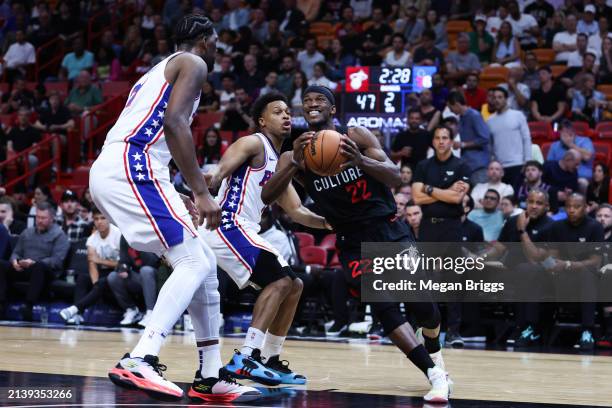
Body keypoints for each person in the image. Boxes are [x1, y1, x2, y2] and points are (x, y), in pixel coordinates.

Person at [87, 15, 259, 402]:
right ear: (201, 39)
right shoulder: (193, 62)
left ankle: (210, 376)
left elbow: (155, 127)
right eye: (215, 40)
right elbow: (174, 123)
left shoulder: (156, 71)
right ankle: (141, 358)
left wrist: (175, 190)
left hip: (130, 169)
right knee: (194, 263)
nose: (218, 48)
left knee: (203, 264)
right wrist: (200, 192)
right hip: (133, 166)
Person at [261, 86, 452, 402]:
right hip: (351, 239)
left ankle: (432, 344)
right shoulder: (295, 153)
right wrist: (294, 163)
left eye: (319, 99)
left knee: (423, 307)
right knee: (384, 307)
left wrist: (360, 159)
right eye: (306, 101)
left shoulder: (356, 135)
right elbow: (269, 197)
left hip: (388, 230)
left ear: (333, 109)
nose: (312, 104)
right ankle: (434, 374)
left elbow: (394, 178)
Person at [202, 93, 329, 385]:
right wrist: (194, 192)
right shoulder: (252, 142)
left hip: (244, 229)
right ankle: (247, 356)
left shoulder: (279, 162)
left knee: (294, 284)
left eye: (287, 111)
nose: (286, 116)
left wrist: (331, 223)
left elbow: (297, 211)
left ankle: (270, 358)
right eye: (277, 112)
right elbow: (218, 173)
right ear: (261, 120)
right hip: (227, 223)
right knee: (281, 280)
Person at [413, 126, 471, 348]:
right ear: (433, 142)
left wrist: (429, 189)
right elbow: (417, 198)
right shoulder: (423, 165)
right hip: (429, 227)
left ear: (451, 141)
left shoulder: (461, 165)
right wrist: (444, 192)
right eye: (437, 138)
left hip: (452, 228)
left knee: (453, 281)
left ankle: (454, 332)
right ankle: (428, 330)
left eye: (445, 138)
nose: (441, 141)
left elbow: (457, 199)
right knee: (426, 280)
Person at [0, 202, 69, 321]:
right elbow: (16, 252)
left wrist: (34, 262)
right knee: (1, 264)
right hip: (24, 268)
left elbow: (57, 261)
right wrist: (15, 261)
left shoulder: (59, 235)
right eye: (38, 217)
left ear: (52, 218)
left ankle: (28, 306)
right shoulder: (27, 233)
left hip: (47, 272)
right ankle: (1, 304)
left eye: (43, 218)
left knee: (39, 266)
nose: (40, 221)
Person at [59, 206, 122, 325]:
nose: (99, 222)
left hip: (118, 273)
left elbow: (123, 264)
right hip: (102, 273)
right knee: (83, 278)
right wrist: (96, 286)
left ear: (109, 219)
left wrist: (100, 261)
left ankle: (74, 309)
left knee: (105, 280)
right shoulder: (92, 239)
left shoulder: (118, 234)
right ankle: (78, 315)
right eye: (96, 219)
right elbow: (92, 264)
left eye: (103, 218)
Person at [107, 237, 160, 327]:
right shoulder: (125, 236)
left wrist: (138, 244)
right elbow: (123, 259)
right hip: (137, 276)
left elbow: (153, 261)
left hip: (155, 276)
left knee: (145, 270)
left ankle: (151, 312)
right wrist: (124, 268)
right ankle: (132, 310)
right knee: (113, 277)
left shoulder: (148, 232)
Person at [487, 87, 532, 190]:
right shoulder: (489, 121)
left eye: (500, 97)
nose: (497, 100)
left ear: (506, 99)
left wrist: (527, 161)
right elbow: (490, 146)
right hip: (499, 167)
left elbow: (526, 139)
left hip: (518, 164)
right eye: (494, 98)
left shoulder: (518, 115)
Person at [447, 91, 490, 184]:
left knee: (479, 195)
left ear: (457, 104)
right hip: (468, 165)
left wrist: (463, 144)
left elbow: (485, 138)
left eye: (451, 107)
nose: (450, 111)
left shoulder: (474, 116)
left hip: (478, 166)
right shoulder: (461, 118)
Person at [546, 120, 594, 190]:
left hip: (581, 177)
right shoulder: (554, 146)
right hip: (560, 177)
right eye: (564, 132)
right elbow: (549, 164)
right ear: (559, 133)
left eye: (570, 132)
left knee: (582, 183)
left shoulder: (585, 141)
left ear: (574, 132)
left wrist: (571, 145)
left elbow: (587, 157)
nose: (567, 135)